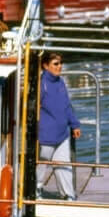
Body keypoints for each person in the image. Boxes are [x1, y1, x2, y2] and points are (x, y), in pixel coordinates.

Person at [37, 51, 81, 200]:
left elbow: (66, 106)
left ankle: (69, 197)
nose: (60, 66)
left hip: (62, 135)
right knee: (40, 168)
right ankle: (35, 193)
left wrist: (74, 125)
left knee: (64, 167)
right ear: (45, 66)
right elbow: (34, 108)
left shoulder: (61, 82)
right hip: (46, 136)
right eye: (56, 64)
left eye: (60, 63)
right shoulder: (41, 84)